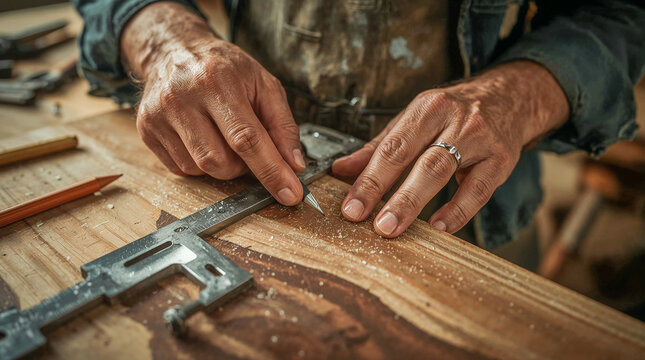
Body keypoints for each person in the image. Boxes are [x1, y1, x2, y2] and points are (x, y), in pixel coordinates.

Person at [72, 0, 645, 249]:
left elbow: (623, 17)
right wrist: (165, 39)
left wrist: (515, 95)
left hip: (476, 216)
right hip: (234, 177)